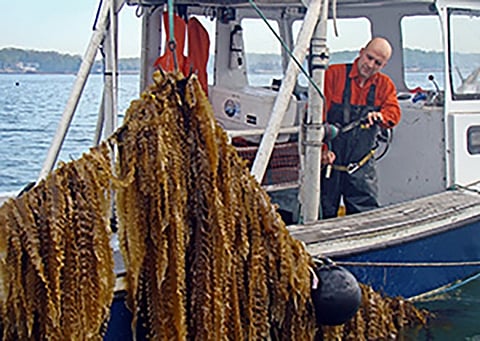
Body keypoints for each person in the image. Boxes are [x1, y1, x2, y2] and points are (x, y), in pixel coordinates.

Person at [320, 37, 401, 219]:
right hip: (329, 165)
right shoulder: (333, 74)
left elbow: (394, 113)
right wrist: (323, 150)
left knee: (366, 217)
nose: (371, 65)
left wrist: (381, 116)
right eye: (369, 58)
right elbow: (317, 117)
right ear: (361, 51)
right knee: (323, 213)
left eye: (378, 63)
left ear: (384, 65)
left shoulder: (385, 85)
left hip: (361, 167)